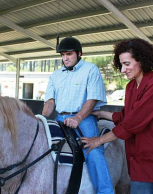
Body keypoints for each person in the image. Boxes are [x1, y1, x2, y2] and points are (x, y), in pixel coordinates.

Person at [81, 38, 153, 194]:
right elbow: (127, 115)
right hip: (140, 160)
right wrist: (100, 113)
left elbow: (132, 123)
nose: (123, 70)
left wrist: (98, 141)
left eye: (127, 64)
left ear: (142, 61)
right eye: (121, 65)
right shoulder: (131, 86)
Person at [42, 36, 114, 194]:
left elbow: (92, 99)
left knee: (93, 150)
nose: (65, 58)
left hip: (83, 118)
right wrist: (41, 119)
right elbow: (50, 102)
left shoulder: (90, 69)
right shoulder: (55, 75)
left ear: (79, 53)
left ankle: (105, 191)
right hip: (60, 117)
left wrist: (78, 117)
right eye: (62, 55)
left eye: (68, 54)